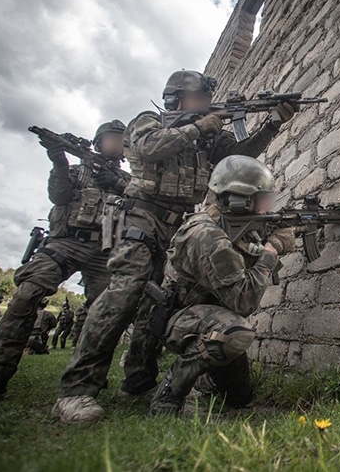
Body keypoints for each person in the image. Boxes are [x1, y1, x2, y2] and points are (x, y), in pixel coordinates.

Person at [52, 70, 297, 423]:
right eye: (199, 100)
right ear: (176, 100)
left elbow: (238, 159)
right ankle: (76, 391)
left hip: (179, 221)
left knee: (156, 306)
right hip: (142, 217)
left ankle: (138, 382)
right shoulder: (149, 122)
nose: (206, 106)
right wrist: (199, 126)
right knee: (121, 298)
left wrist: (272, 124)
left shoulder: (208, 136)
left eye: (207, 101)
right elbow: (148, 147)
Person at [0, 120, 130, 405]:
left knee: (105, 314)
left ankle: (85, 380)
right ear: (99, 141)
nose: (115, 143)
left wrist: (116, 183)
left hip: (104, 250)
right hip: (64, 241)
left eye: (120, 139)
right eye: (110, 138)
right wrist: (59, 162)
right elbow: (59, 195)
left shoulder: (128, 180)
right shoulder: (77, 172)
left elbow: (139, 201)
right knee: (26, 296)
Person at [149, 155, 295, 415]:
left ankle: (208, 379)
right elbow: (243, 301)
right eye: (264, 198)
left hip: (209, 315)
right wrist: (272, 250)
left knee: (239, 398)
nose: (268, 206)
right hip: (180, 319)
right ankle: (168, 397)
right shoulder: (207, 235)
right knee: (236, 332)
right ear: (242, 199)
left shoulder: (232, 224)